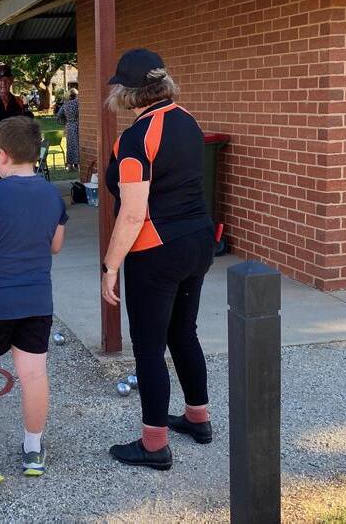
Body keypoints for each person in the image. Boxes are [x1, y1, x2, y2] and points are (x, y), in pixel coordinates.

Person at [102, 49, 215, 471]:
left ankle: (154, 445)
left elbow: (133, 214)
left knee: (149, 347)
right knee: (183, 332)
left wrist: (111, 266)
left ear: (128, 92)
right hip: (198, 240)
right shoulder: (187, 119)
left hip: (157, 249)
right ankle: (198, 418)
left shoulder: (136, 138)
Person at [0, 116, 68, 486]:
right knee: (34, 375)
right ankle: (33, 451)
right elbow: (56, 245)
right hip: (37, 301)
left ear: (1, 155)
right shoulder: (52, 195)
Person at [56, 88, 80, 171]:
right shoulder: (78, 103)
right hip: (78, 126)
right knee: (78, 145)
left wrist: (65, 123)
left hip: (69, 126)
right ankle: (78, 165)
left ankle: (70, 165)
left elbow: (58, 116)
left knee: (70, 146)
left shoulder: (65, 104)